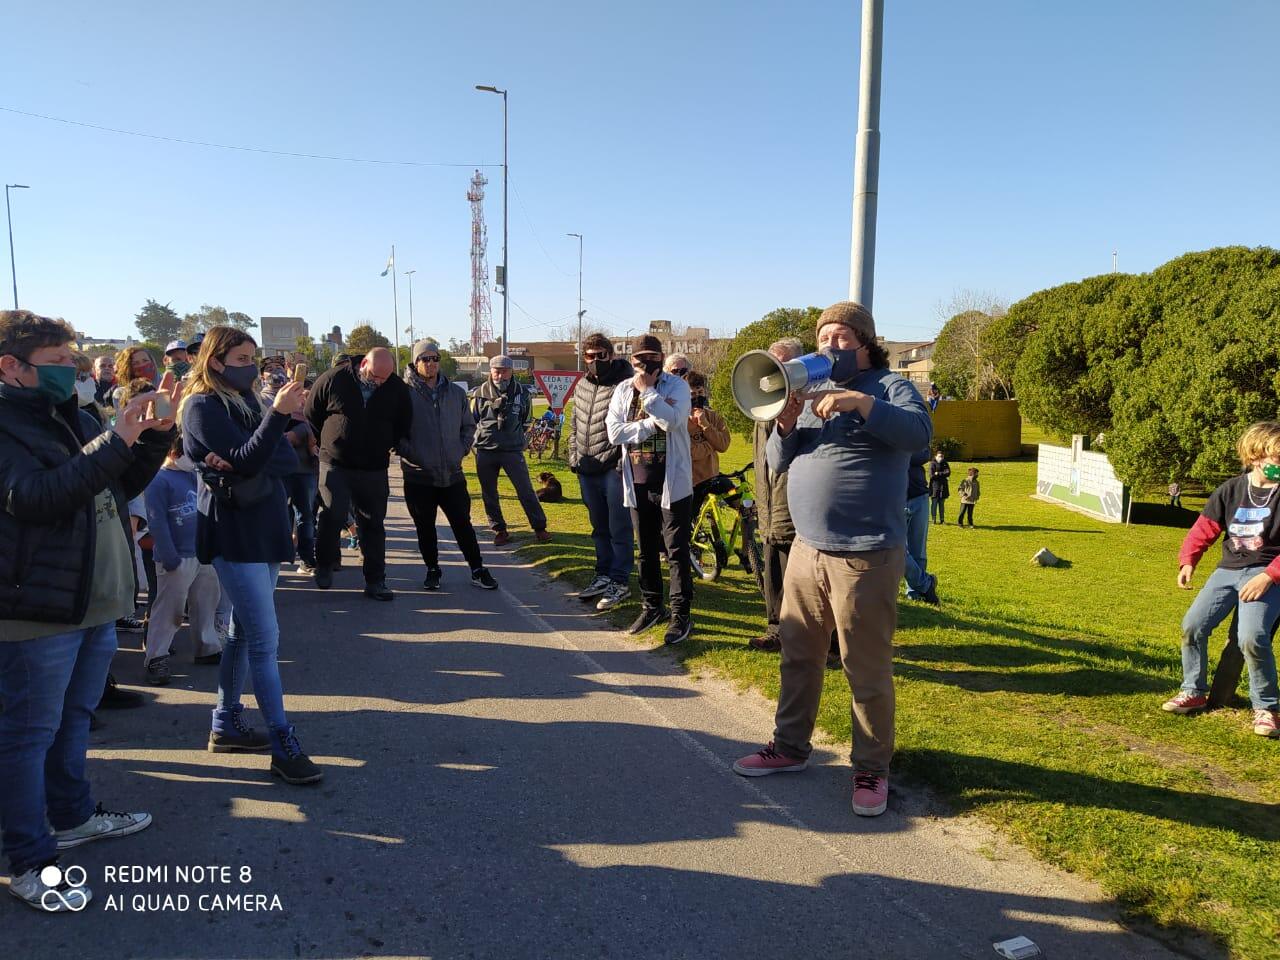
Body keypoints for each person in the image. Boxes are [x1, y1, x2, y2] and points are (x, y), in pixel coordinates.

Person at [0, 309, 172, 910]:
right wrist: (114, 439)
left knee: (73, 719)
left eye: (73, 363)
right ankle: (29, 859)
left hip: (93, 602)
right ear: (11, 367)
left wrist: (153, 437)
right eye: (58, 364)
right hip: (38, 611)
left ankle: (71, 817)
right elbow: (36, 498)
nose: (71, 372)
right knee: (26, 736)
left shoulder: (68, 415)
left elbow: (112, 485)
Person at [734, 301, 932, 819]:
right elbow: (779, 464)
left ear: (866, 342)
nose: (830, 346)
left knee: (863, 667)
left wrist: (859, 405)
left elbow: (920, 437)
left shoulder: (890, 387)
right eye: (823, 338)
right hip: (808, 548)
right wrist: (785, 424)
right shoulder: (810, 392)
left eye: (841, 337)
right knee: (798, 655)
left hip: (865, 555)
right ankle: (791, 747)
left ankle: (871, 768)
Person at [179, 325, 323, 783]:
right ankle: (283, 743)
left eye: (251, 358)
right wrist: (273, 423)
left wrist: (249, 453)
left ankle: (226, 722)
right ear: (215, 361)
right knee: (264, 640)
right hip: (234, 532)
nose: (249, 366)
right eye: (240, 359)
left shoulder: (246, 403)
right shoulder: (201, 406)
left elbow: (277, 460)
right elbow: (254, 455)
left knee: (243, 635)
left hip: (264, 526)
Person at [1162, 422, 1280, 739]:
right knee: (1193, 625)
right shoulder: (1230, 490)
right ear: (1255, 456)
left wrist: (1269, 577)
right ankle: (1193, 690)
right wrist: (1188, 561)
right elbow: (1204, 529)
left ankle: (1267, 709)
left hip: (1267, 574)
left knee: (1252, 637)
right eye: (1276, 459)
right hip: (1226, 570)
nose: (1279, 466)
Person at [606, 334, 695, 645]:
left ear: (661, 358)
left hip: (672, 482)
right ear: (631, 361)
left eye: (651, 359)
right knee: (644, 550)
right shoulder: (620, 390)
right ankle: (651, 605)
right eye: (639, 359)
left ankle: (680, 613)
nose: (645, 365)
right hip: (638, 482)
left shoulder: (677, 386)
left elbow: (673, 421)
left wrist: (648, 394)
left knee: (676, 551)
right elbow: (615, 433)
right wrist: (648, 424)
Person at [305, 347, 412, 600]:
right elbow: (312, 413)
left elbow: (403, 422)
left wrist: (384, 443)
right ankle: (324, 564)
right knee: (333, 515)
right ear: (363, 363)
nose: (378, 383)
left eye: (384, 379)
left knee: (373, 524)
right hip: (336, 464)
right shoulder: (334, 379)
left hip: (374, 467)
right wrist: (331, 442)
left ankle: (375, 581)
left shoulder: (395, 388)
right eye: (375, 377)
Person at [399, 338, 498, 591]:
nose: (431, 363)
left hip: (452, 474)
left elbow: (468, 426)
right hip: (419, 476)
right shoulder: (403, 394)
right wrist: (416, 455)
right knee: (425, 527)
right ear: (415, 362)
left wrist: (461, 450)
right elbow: (395, 434)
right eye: (425, 359)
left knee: (462, 524)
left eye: (435, 358)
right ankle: (432, 569)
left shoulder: (455, 393)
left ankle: (477, 568)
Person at [142, 434, 223, 685]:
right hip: (176, 557)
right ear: (173, 453)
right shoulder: (159, 480)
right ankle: (156, 656)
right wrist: (169, 558)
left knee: (206, 603)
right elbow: (157, 522)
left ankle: (207, 646)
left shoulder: (194, 474)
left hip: (202, 553)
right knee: (169, 609)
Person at [568, 333, 634, 612]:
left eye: (601, 355)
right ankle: (603, 573)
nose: (596, 361)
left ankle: (620, 580)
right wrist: (573, 455)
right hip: (586, 466)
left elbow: (631, 424)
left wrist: (619, 460)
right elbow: (574, 423)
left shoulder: (625, 384)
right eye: (591, 356)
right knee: (599, 528)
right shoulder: (582, 385)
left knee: (620, 527)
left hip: (613, 468)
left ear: (612, 355)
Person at [750, 338, 802, 652]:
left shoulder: (805, 406)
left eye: (782, 364)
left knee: (795, 577)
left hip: (792, 507)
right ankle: (775, 629)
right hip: (769, 505)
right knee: (772, 572)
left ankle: (805, 636)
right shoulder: (763, 407)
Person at [470, 356, 551, 546]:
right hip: (485, 450)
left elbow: (526, 420)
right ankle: (499, 530)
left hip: (512, 451)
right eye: (496, 370)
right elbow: (470, 421)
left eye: (504, 371)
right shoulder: (479, 393)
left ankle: (539, 528)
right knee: (489, 493)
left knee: (525, 490)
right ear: (490, 371)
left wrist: (517, 440)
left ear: (511, 371)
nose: (500, 374)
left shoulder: (522, 393)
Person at [686, 371, 731, 522]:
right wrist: (713, 444)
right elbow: (691, 453)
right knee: (692, 523)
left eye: (700, 392)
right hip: (691, 483)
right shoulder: (679, 420)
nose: (697, 397)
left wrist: (705, 425)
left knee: (747, 506)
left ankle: (749, 544)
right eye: (692, 394)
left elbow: (724, 445)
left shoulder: (713, 416)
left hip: (713, 477)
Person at [903, 449, 941, 604]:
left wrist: (896, 452)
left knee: (918, 550)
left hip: (919, 495)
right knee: (897, 551)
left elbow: (924, 454)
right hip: (893, 498)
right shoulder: (882, 426)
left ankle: (914, 592)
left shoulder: (913, 428)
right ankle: (925, 583)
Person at [928, 449, 951, 524]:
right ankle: (933, 519)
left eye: (942, 456)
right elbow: (931, 476)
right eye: (939, 456)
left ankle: (942, 520)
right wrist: (942, 474)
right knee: (934, 504)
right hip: (935, 487)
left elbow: (948, 473)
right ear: (936, 456)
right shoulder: (932, 463)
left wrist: (938, 473)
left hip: (943, 487)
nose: (941, 457)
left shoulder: (945, 463)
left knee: (942, 504)